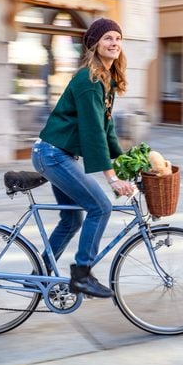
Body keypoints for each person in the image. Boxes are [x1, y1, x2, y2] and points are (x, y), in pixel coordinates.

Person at [31, 17, 135, 298]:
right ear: (95, 44)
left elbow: (107, 129)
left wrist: (126, 164)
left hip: (56, 154)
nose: (114, 43)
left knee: (72, 220)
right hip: (53, 154)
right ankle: (82, 274)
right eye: (107, 38)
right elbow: (92, 134)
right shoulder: (89, 79)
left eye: (117, 37)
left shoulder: (106, 79)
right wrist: (111, 179)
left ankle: (37, 273)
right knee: (101, 207)